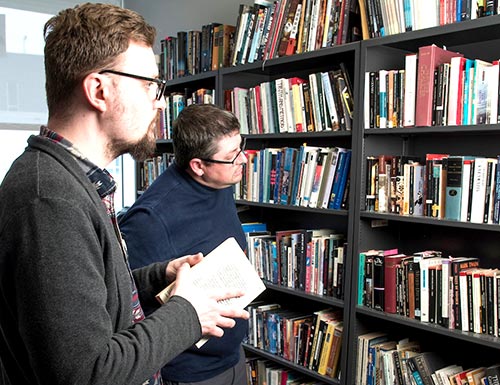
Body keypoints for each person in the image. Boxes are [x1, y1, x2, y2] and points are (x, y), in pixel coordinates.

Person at [0, 4, 248, 385]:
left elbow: (93, 302)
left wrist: (158, 276)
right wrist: (188, 311)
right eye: (149, 83)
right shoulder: (48, 199)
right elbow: (86, 374)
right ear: (98, 89)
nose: (159, 100)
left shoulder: (72, 182)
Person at [118, 103, 249, 385]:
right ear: (198, 166)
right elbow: (129, 304)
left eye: (241, 147)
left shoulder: (220, 182)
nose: (244, 160)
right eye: (232, 156)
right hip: (191, 373)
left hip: (234, 357)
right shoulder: (150, 218)